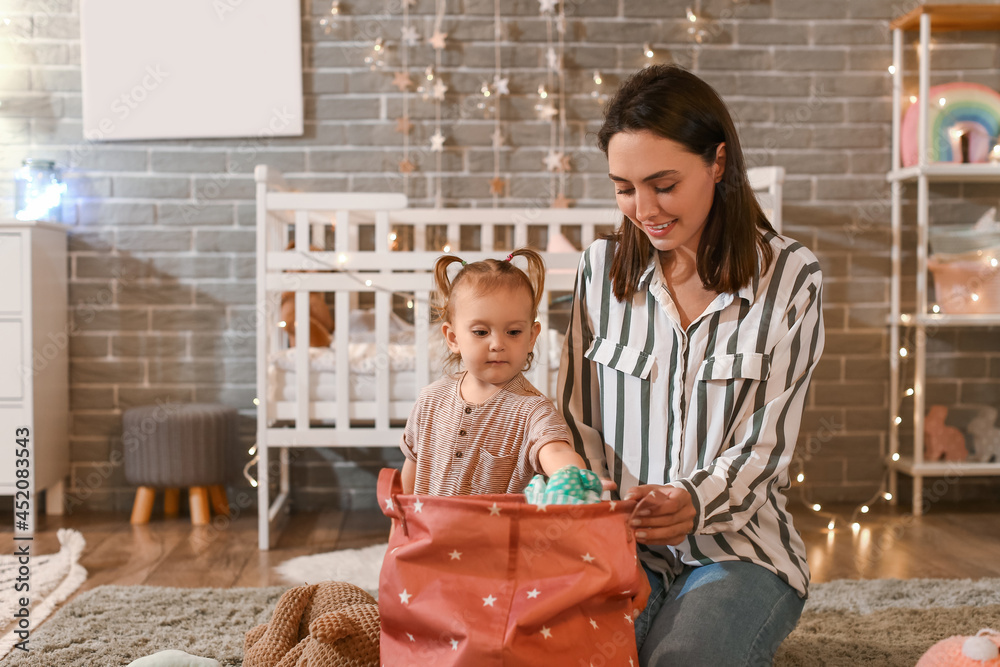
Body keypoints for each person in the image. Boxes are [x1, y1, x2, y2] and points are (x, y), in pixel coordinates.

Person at [557, 64, 825, 665]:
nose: (643, 208)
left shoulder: (790, 278)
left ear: (718, 163)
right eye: (624, 187)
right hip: (618, 541)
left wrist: (693, 501)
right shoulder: (600, 271)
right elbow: (578, 418)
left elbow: (765, 447)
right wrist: (593, 498)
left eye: (663, 183)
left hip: (739, 547)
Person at [400, 248, 592, 496]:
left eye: (513, 332)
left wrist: (571, 477)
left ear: (532, 337)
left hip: (498, 536)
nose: (497, 344)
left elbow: (555, 450)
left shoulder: (532, 410)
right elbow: (411, 471)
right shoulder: (431, 400)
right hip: (426, 533)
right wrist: (400, 526)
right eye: (481, 332)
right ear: (453, 338)